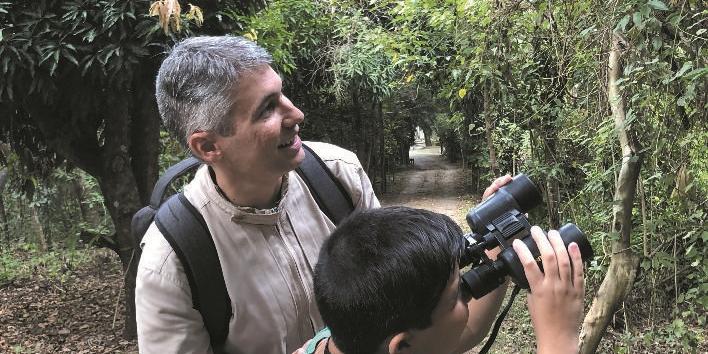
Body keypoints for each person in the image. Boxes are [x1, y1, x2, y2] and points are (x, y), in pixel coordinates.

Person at [135, 35, 515, 354]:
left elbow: (418, 327)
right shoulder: (172, 262)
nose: (296, 113)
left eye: (281, 94)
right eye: (267, 108)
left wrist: (494, 254)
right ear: (208, 147)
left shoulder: (337, 174)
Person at [307, 207, 585, 354]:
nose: (469, 292)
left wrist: (496, 251)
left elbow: (462, 333)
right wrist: (558, 340)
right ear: (401, 346)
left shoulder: (340, 337)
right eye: (457, 296)